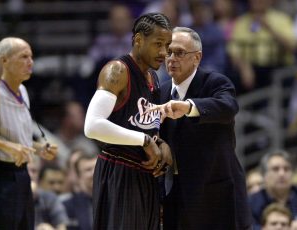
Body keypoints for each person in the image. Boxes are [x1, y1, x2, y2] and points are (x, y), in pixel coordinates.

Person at [150, 27, 252, 230]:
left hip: (215, 195)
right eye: (168, 52)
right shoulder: (159, 91)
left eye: (179, 52)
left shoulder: (215, 82)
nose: (171, 58)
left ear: (197, 58)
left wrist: (189, 106)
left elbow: (228, 107)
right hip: (175, 194)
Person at [84, 13, 173, 229]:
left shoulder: (154, 79)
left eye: (167, 45)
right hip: (119, 171)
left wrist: (161, 143)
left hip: (146, 177)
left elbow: (141, 124)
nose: (164, 53)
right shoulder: (117, 70)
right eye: (158, 44)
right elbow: (92, 126)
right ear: (138, 40)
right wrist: (144, 140)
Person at [0, 37, 58, 229]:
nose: (30, 62)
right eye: (23, 57)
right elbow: (10, 144)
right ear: (3, 60)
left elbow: (17, 139)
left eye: (31, 56)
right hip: (1, 174)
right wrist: (8, 147)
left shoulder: (22, 90)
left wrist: (39, 148)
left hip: (22, 174)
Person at [249, 150, 297, 230]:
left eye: (286, 169)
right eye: (276, 169)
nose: (282, 173)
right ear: (264, 175)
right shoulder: (252, 202)